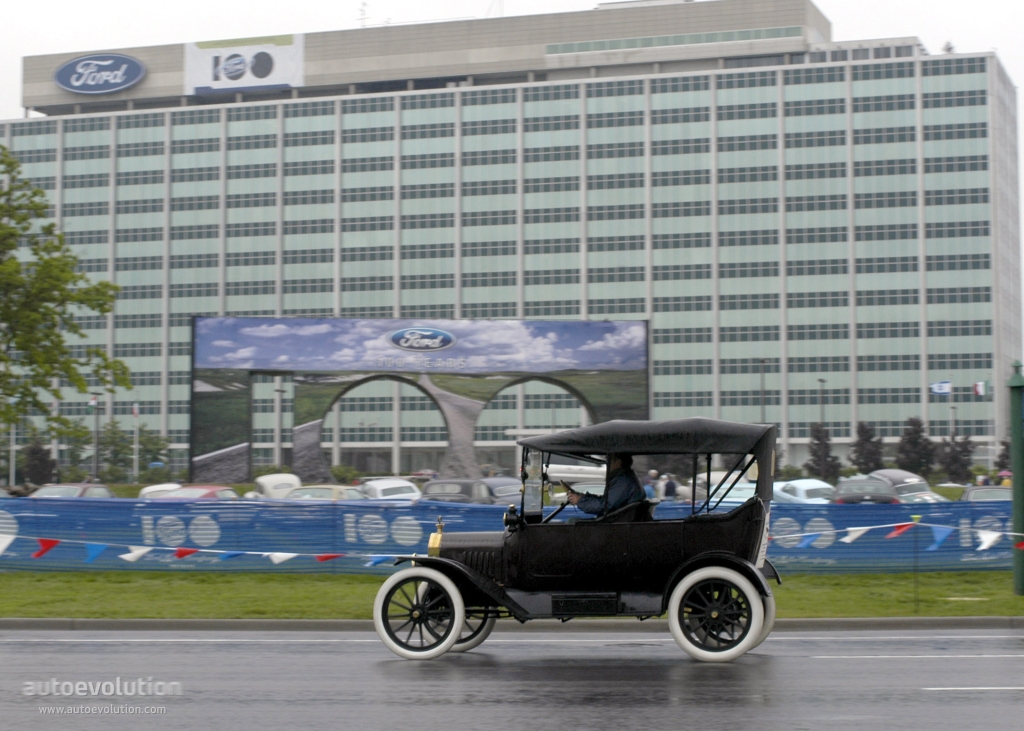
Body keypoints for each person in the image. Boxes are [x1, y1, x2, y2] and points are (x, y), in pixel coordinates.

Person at [567, 453, 645, 516]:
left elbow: (605, 506)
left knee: (572, 521)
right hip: (618, 521)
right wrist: (583, 497)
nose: (607, 463)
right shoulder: (625, 478)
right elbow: (607, 500)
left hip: (615, 524)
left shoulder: (623, 481)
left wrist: (580, 500)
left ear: (618, 462)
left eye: (609, 459)